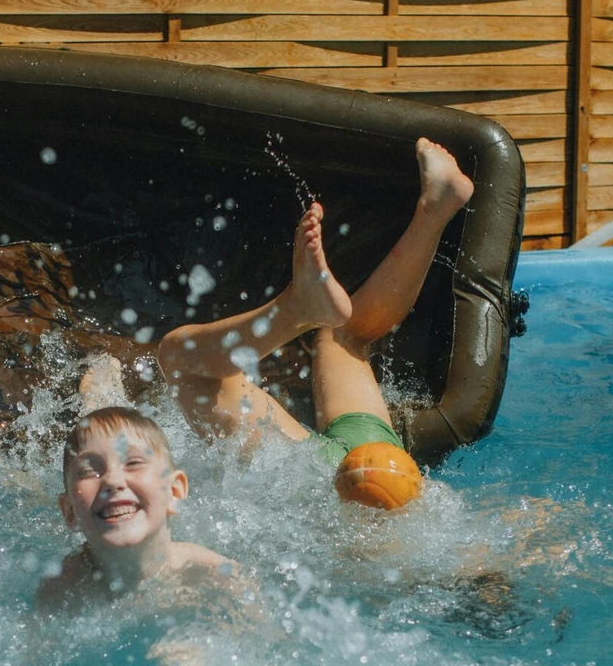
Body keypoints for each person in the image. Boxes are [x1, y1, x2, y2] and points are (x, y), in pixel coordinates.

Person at [152, 137, 474, 492]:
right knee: (342, 334)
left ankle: (297, 308)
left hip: (356, 473)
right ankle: (433, 208)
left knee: (182, 359)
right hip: (380, 475)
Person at [35, 406, 238, 610]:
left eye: (133, 463)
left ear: (174, 492)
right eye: (89, 471)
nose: (112, 481)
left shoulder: (213, 574)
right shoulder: (64, 589)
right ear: (70, 512)